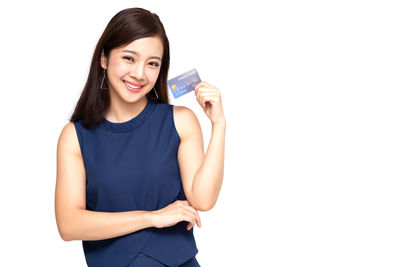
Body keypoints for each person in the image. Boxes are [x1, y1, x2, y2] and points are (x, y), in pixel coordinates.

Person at [55, 7, 226, 267]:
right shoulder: (75, 136)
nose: (139, 73)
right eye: (129, 58)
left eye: (152, 63)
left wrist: (219, 124)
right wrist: (151, 217)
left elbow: (202, 199)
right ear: (104, 58)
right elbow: (69, 225)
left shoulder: (180, 121)